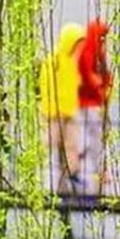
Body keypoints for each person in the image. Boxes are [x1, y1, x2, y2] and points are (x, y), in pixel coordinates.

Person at [39, 23, 87, 194]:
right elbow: (47, 86)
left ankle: (71, 174)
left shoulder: (72, 63)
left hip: (69, 112)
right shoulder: (53, 62)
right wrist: (54, 106)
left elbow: (74, 85)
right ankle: (41, 176)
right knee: (48, 144)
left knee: (71, 145)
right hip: (53, 113)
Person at [76, 19, 114, 192]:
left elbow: (104, 75)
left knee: (99, 138)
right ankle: (87, 172)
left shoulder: (99, 52)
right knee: (87, 138)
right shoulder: (87, 51)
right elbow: (87, 74)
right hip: (88, 103)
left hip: (98, 102)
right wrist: (100, 87)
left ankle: (99, 170)